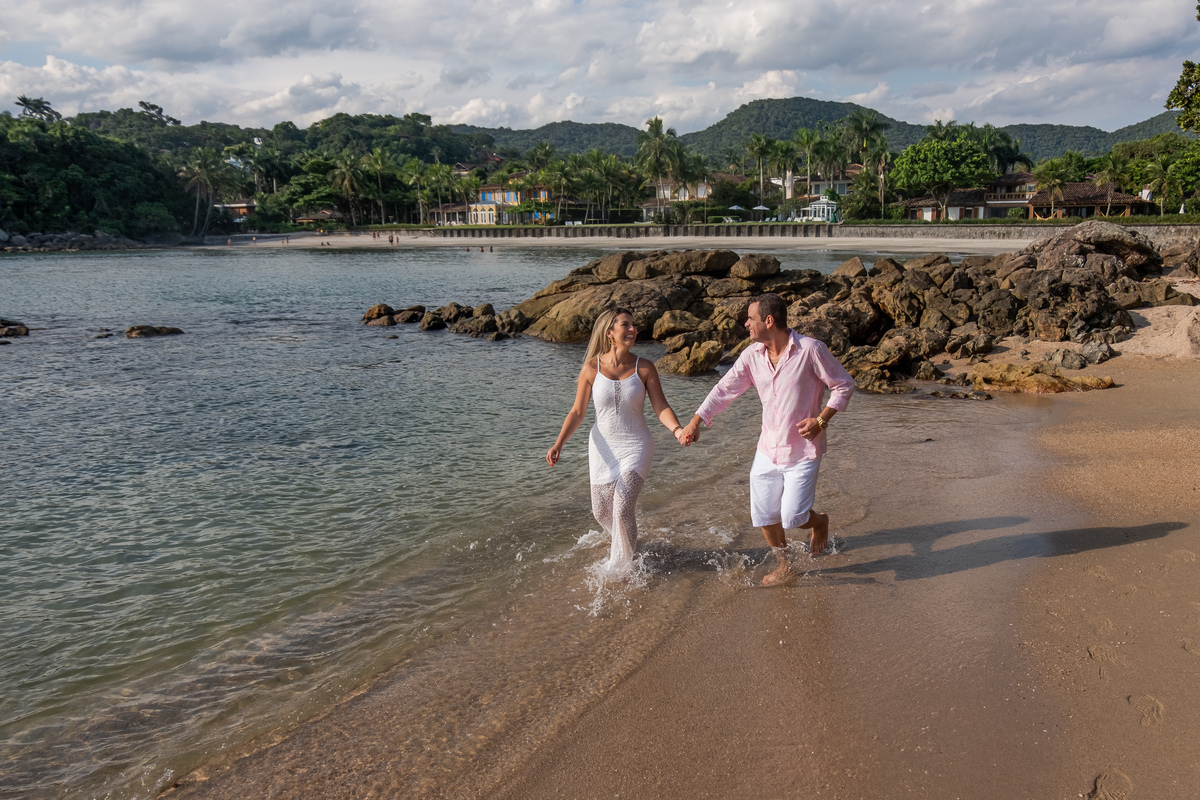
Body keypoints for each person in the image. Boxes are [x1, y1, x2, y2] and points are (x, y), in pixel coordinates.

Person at [680, 293, 854, 586]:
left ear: (768, 320)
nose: (746, 323)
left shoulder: (810, 350)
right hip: (767, 449)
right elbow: (724, 390)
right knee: (764, 514)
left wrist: (821, 420)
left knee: (794, 517)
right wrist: (697, 421)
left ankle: (819, 521)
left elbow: (844, 384)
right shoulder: (752, 356)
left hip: (803, 450)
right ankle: (784, 563)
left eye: (751, 318)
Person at [548, 308, 690, 575]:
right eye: (626, 325)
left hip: (637, 445)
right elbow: (577, 411)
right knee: (602, 512)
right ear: (609, 333)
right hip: (602, 448)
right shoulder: (591, 368)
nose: (633, 329)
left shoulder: (644, 367)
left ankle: (623, 568)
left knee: (623, 505)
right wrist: (559, 444)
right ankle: (626, 541)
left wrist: (677, 430)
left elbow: (661, 407)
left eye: (634, 325)